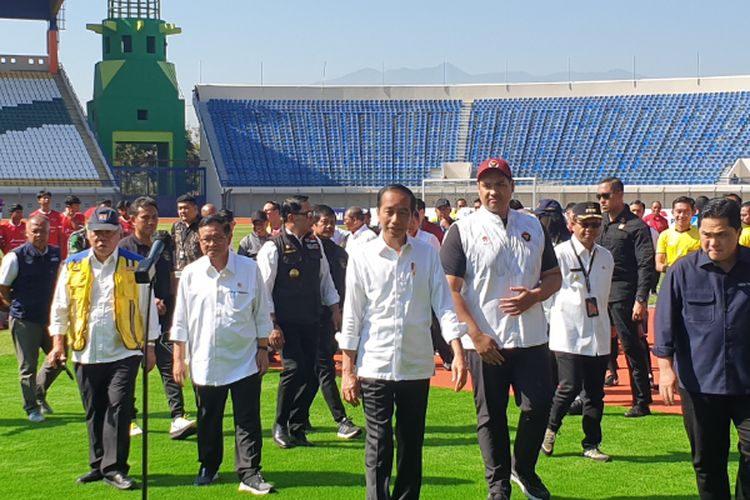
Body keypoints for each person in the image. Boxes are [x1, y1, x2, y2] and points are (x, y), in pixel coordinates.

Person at [441, 157, 562, 500]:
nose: (493, 190)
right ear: (478, 189)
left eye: (500, 184)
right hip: (487, 341)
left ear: (512, 187)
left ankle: (522, 467)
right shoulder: (461, 230)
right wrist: (474, 335)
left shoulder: (533, 226)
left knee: (538, 407)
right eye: (487, 184)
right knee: (491, 416)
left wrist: (535, 296)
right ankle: (498, 484)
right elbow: (450, 289)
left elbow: (554, 276)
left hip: (532, 338)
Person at [340, 184, 467, 500]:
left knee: (411, 442)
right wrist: (347, 368)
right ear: (377, 213)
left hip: (415, 364)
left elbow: (444, 304)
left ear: (414, 216)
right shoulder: (362, 255)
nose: (396, 219)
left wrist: (457, 349)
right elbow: (352, 314)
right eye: (389, 211)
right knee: (379, 442)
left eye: (403, 212)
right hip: (374, 364)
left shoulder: (426, 253)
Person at [46, 206, 160, 490]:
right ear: (87, 234)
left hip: (125, 349)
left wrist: (150, 346)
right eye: (97, 233)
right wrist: (58, 342)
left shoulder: (137, 265)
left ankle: (116, 467)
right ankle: (98, 464)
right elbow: (60, 307)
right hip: (86, 350)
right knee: (94, 409)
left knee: (119, 408)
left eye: (108, 233)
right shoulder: (72, 265)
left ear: (119, 234)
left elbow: (149, 308)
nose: (102, 238)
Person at [655, 197, 750, 500]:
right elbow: (665, 324)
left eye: (721, 234)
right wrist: (665, 369)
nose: (713, 242)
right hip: (700, 385)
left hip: (747, 381)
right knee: (707, 462)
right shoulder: (682, 271)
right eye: (707, 234)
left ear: (738, 231)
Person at [171, 215, 274, 494]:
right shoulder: (192, 273)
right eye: (206, 239)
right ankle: (209, 466)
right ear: (199, 241)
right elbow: (180, 319)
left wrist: (263, 349)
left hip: (245, 359)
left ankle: (250, 472)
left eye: (217, 237)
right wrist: (178, 358)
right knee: (208, 418)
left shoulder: (249, 269)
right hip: (206, 360)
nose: (211, 244)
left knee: (248, 419)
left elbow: (261, 312)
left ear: (229, 238)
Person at [257, 195, 341, 448]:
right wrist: (272, 324)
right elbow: (263, 288)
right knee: (293, 370)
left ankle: (297, 424)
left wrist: (335, 309)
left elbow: (325, 280)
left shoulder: (315, 245)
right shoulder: (274, 247)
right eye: (308, 215)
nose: (312, 219)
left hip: (312, 318)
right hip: (286, 322)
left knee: (313, 374)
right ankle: (280, 424)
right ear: (291, 218)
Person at [541, 202, 614, 463]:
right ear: (573, 224)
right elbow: (547, 294)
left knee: (595, 393)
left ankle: (591, 443)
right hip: (567, 331)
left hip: (598, 331)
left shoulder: (606, 256)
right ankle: (549, 431)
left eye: (595, 224)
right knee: (568, 387)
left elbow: (604, 296)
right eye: (585, 224)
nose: (590, 230)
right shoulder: (559, 253)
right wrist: (552, 322)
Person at [118, 196, 196, 440]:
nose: (151, 222)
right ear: (132, 220)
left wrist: (174, 305)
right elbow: (120, 286)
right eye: (145, 217)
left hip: (163, 320)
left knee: (169, 365)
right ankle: (128, 419)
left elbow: (170, 277)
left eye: (154, 217)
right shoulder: (123, 249)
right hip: (131, 322)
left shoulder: (163, 245)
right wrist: (147, 301)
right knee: (129, 370)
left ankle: (178, 416)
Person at [596, 177, 657, 417]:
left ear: (620, 195)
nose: (602, 200)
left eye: (606, 195)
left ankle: (641, 400)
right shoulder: (600, 224)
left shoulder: (636, 227)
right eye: (599, 196)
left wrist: (641, 299)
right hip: (599, 294)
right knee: (595, 347)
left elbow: (645, 265)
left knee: (632, 347)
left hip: (624, 295)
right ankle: (589, 396)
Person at [0, 215, 63, 422]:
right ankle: (31, 408)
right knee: (28, 366)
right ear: (26, 232)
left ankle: (38, 392)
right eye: (34, 231)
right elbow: (3, 287)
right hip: (24, 319)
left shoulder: (55, 254)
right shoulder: (14, 257)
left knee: (59, 359)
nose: (39, 235)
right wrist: (15, 305)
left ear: (49, 232)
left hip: (50, 319)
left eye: (43, 231)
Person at [306, 204, 362, 439]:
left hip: (334, 318)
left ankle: (295, 415)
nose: (329, 226)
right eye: (323, 222)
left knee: (313, 372)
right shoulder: (307, 250)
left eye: (331, 222)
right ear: (313, 224)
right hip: (311, 318)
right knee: (324, 368)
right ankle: (341, 420)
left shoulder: (340, 253)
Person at [655, 196, 701, 273]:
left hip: (693, 276)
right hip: (671, 276)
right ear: (673, 212)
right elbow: (659, 264)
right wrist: (673, 271)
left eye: (686, 212)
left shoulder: (700, 235)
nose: (682, 215)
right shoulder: (664, 235)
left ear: (693, 213)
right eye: (678, 211)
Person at [171, 194, 203, 276]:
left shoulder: (203, 226)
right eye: (180, 208)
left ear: (195, 209)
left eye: (186, 208)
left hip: (199, 272)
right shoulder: (176, 226)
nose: (182, 211)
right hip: (180, 272)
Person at [61, 195, 86, 259]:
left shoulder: (81, 217)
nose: (78, 207)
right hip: (64, 254)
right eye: (76, 205)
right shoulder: (60, 218)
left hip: (79, 252)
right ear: (69, 206)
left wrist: (72, 219)